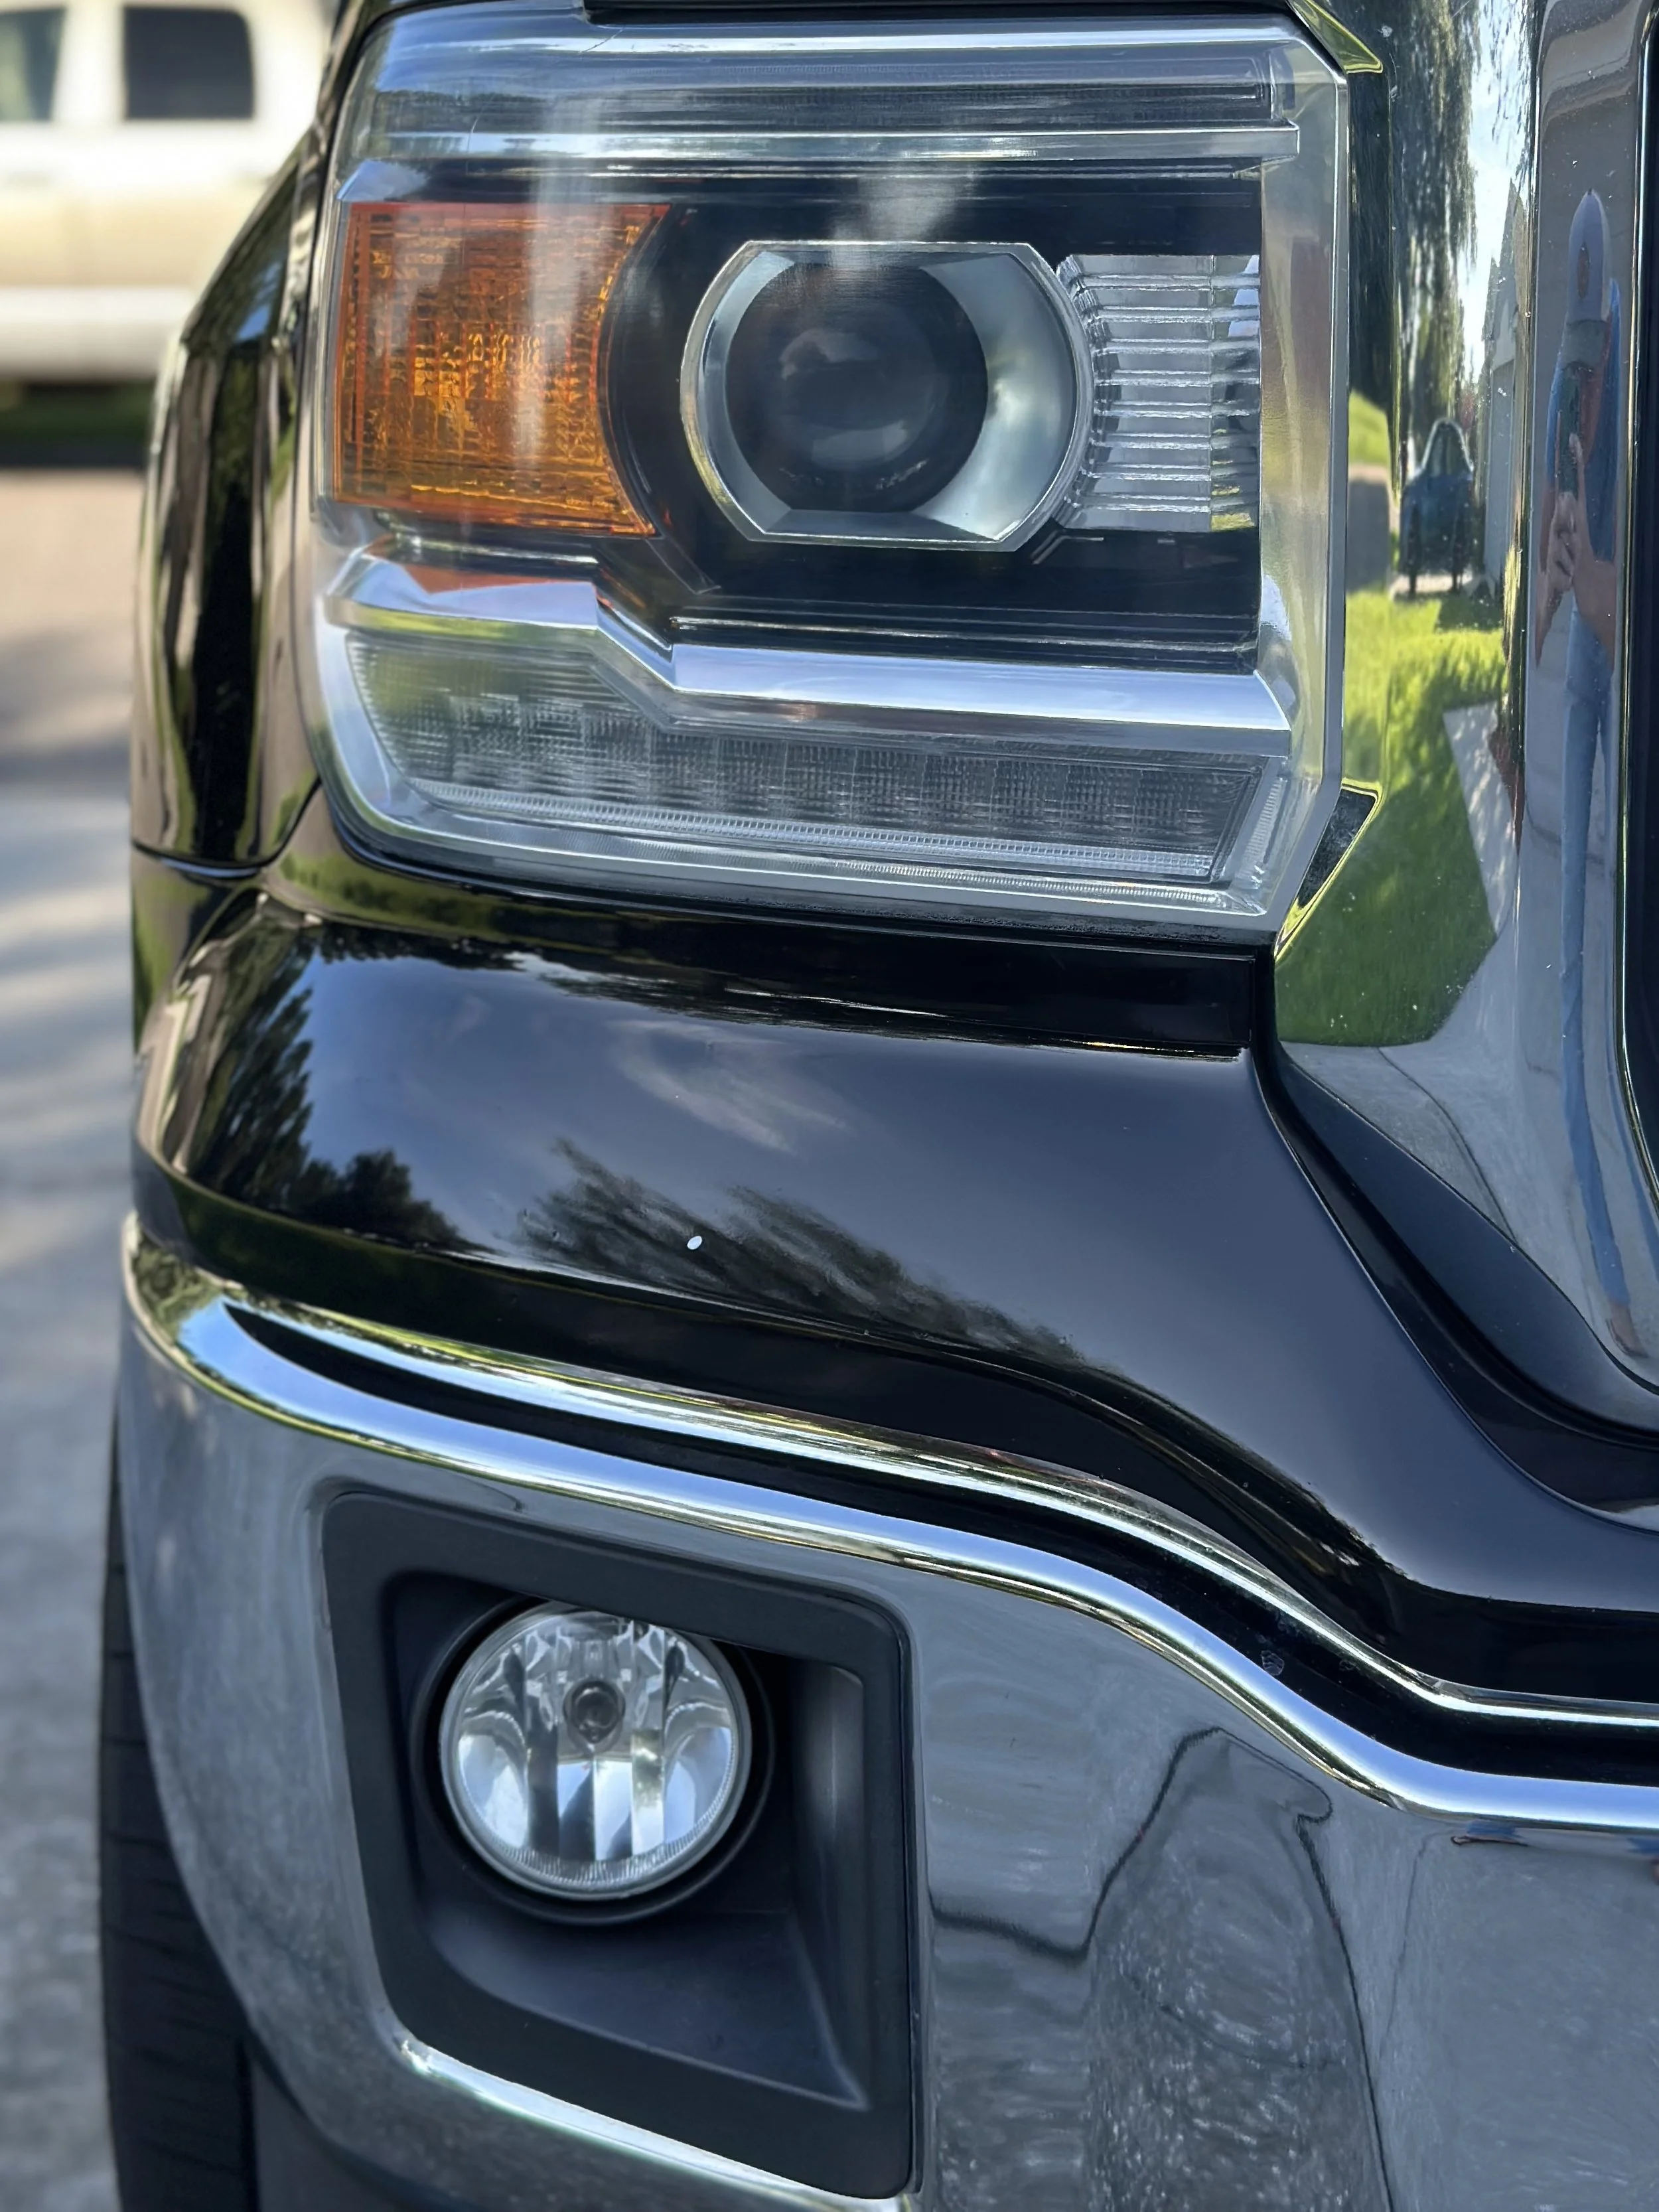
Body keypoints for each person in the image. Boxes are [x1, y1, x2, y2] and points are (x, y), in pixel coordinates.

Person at [1531, 190, 1635, 1352]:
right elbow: (1564, 520)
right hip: (1584, 678)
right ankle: (1609, 1276)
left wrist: (1603, 599)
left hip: (1622, 664)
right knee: (1572, 975)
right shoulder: (1577, 379)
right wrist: (1556, 592)